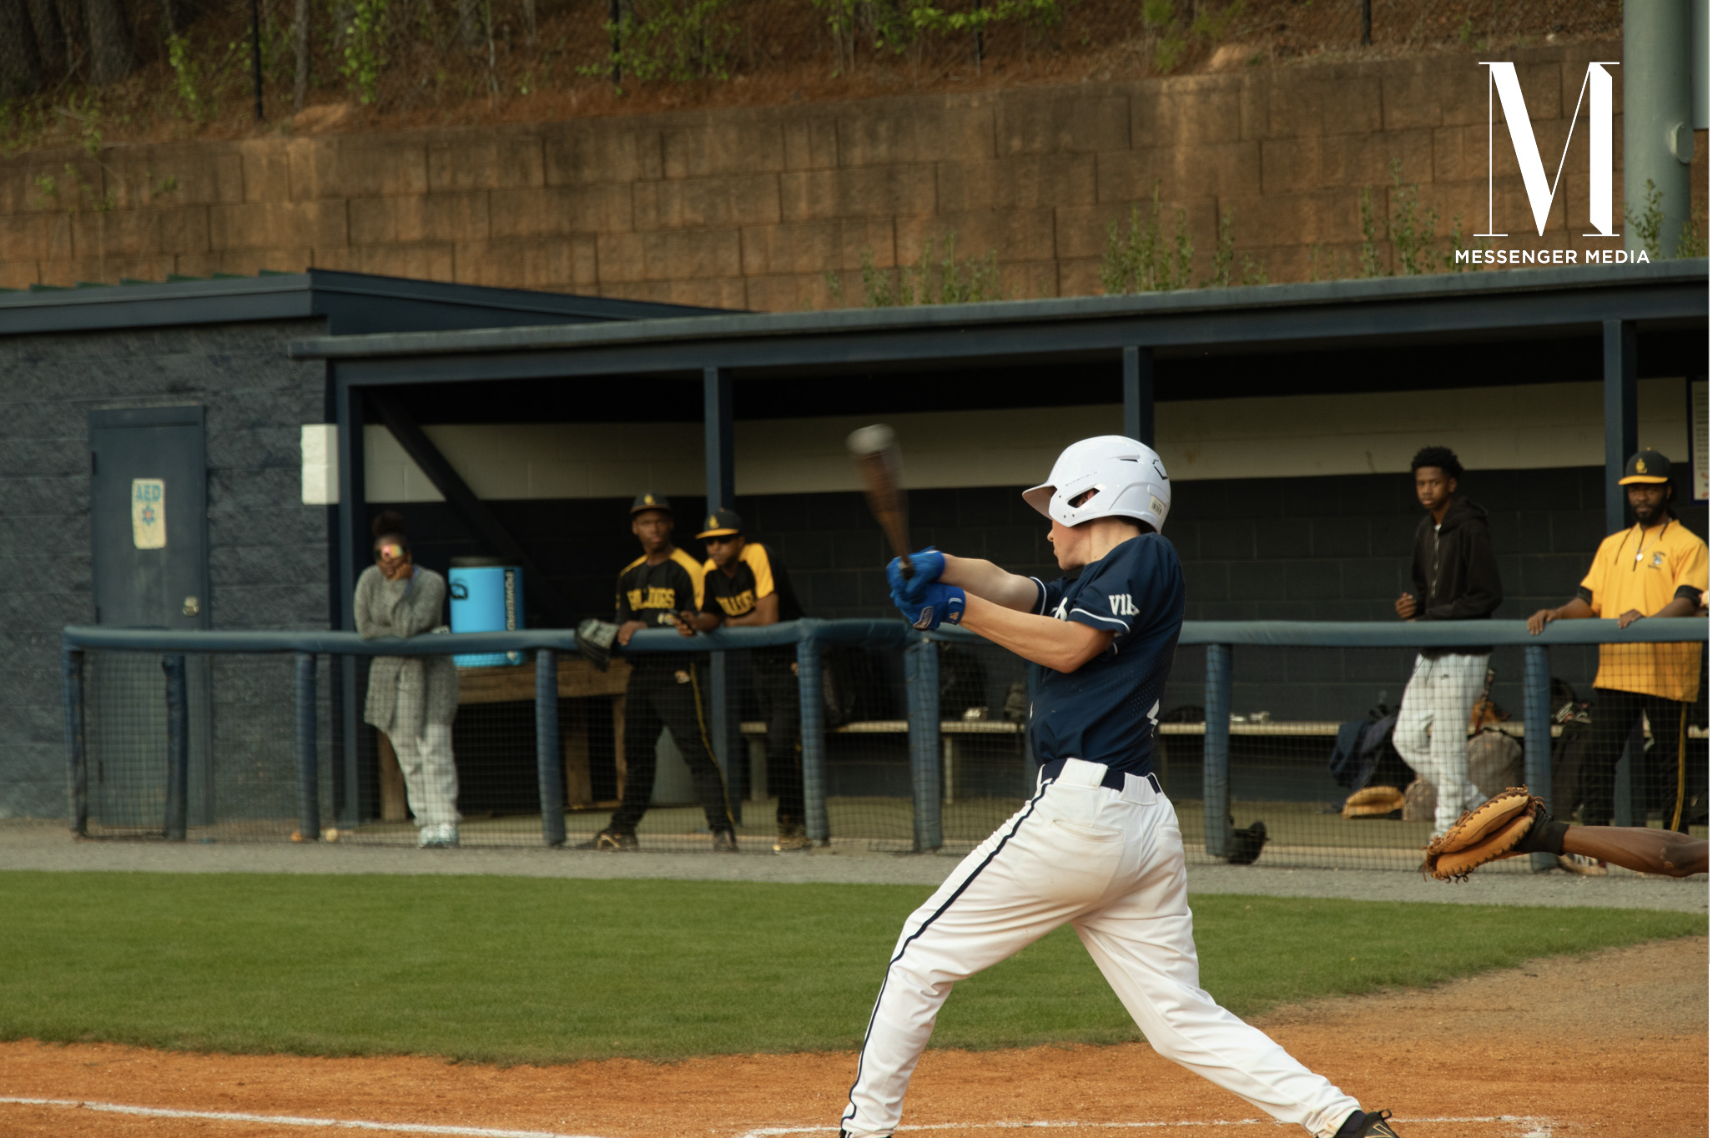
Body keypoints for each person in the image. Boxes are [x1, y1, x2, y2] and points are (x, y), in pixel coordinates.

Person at [840, 437, 1398, 1138]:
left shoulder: (1142, 556)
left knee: (919, 954)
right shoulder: (1093, 582)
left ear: (1093, 498)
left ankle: (862, 1131)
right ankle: (1343, 1123)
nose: (1048, 528)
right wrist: (941, 567)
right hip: (1135, 825)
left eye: (1056, 511)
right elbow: (1010, 586)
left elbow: (1070, 646)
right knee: (1178, 1018)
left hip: (1082, 815)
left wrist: (959, 612)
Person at [1526, 448, 1707, 860]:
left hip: (1668, 672)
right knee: (1597, 757)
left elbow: (1687, 600)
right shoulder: (1613, 545)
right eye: (1634, 489)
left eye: (1649, 488)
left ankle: (1675, 853)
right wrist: (1557, 612)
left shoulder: (1689, 544)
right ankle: (1598, 846)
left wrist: (1647, 620)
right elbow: (1587, 600)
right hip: (1618, 672)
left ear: (1667, 491)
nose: (1641, 496)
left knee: (1671, 768)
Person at [584, 494, 738, 853]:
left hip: (677, 671)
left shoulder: (689, 568)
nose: (653, 528)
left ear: (670, 525)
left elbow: (698, 617)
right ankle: (623, 829)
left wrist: (647, 622)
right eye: (645, 522)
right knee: (636, 754)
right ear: (635, 528)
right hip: (642, 673)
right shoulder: (629, 574)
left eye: (660, 521)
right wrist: (613, 633)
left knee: (696, 752)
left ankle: (722, 830)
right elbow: (624, 625)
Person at [675, 508, 811, 852]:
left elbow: (767, 616)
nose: (715, 548)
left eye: (723, 540)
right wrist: (694, 621)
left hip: (794, 659)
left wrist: (725, 624)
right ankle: (792, 823)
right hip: (761, 665)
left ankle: (794, 821)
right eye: (709, 542)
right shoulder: (710, 571)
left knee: (784, 744)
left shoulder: (758, 555)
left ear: (739, 540)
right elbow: (710, 616)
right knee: (778, 745)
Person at [1392, 446, 1503, 838]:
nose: (1426, 490)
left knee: (1447, 746)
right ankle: (1483, 810)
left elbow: (1488, 595)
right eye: (1421, 483)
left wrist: (1430, 615)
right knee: (1404, 738)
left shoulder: (1471, 525)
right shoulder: (1425, 529)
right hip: (1431, 650)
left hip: (1464, 652)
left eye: (1434, 482)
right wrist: (1414, 607)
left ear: (1451, 484)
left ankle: (1444, 836)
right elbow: (1424, 593)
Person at [354, 510, 461, 849]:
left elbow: (406, 626)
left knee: (434, 751)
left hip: (432, 678)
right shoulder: (368, 580)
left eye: (395, 554)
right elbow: (366, 629)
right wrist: (400, 631)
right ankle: (427, 823)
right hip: (390, 680)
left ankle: (446, 823)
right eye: (381, 556)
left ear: (408, 555)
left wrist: (398, 586)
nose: (387, 562)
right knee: (409, 759)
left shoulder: (431, 582)